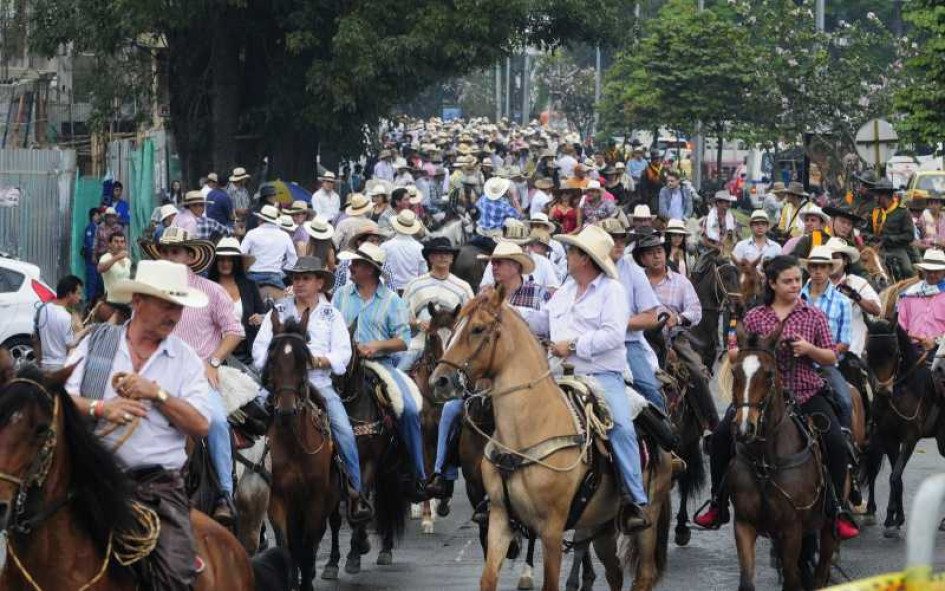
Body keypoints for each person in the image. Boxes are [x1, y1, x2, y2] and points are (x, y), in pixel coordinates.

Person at [65, 259, 214, 591]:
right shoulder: (96, 343)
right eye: (166, 304)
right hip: (89, 478)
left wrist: (157, 394)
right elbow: (59, 401)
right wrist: (101, 408)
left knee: (176, 575)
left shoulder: (186, 359)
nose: (174, 315)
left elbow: (202, 425)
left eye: (178, 307)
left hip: (156, 487)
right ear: (138, 302)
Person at [694, 255, 860, 541]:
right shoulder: (755, 316)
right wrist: (754, 351)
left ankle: (837, 508)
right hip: (760, 395)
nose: (796, 285)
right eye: (788, 281)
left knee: (835, 441)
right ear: (772, 283)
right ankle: (718, 502)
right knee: (722, 436)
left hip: (805, 391)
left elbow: (831, 357)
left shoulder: (812, 316)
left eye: (798, 280)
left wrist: (809, 349)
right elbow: (733, 350)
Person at [527, 225, 650, 533]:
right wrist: (509, 313)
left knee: (621, 425)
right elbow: (543, 320)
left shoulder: (613, 291)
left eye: (571, 251)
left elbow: (612, 335)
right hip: (556, 373)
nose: (566, 256)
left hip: (601, 374)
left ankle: (634, 499)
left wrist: (573, 344)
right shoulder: (566, 290)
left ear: (585, 258)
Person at [426, 241, 549, 507]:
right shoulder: (482, 296)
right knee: (450, 409)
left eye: (499, 262)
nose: (494, 267)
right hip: (486, 373)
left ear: (516, 266)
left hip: (526, 374)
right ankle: (442, 472)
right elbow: (465, 332)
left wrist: (509, 314)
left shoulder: (538, 294)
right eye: (492, 263)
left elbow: (547, 326)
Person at [251, 257, 373, 522]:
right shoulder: (278, 311)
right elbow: (259, 349)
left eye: (306, 278)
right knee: (246, 421)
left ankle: (355, 492)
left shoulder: (332, 315)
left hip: (318, 384)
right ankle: (240, 486)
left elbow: (343, 353)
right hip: (280, 385)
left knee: (343, 431)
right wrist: (275, 364)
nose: (299, 283)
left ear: (319, 283)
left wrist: (319, 360)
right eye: (296, 278)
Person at [141, 228, 244, 523]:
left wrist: (212, 362)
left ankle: (225, 491)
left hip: (197, 375)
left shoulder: (211, 291)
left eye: (176, 251)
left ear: (190, 256)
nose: (171, 257)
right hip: (157, 372)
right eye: (166, 251)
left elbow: (234, 332)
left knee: (216, 420)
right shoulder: (151, 293)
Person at [332, 242, 428, 501]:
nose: (350, 267)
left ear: (371, 270)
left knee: (408, 409)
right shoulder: (340, 294)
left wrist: (376, 345)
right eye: (352, 263)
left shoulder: (392, 300)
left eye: (357, 264)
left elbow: (403, 340)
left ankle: (418, 475)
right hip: (341, 364)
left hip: (379, 365)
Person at [634, 233, 718, 430]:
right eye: (649, 253)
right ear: (642, 259)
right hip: (640, 338)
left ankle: (712, 422)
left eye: (659, 251)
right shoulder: (636, 282)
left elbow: (695, 311)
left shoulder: (681, 282)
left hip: (672, 338)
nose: (656, 256)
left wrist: (678, 318)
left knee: (696, 371)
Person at [597, 218, 663, 409]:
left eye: (622, 239)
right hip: (590, 344)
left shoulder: (633, 270)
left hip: (627, 343)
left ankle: (666, 435)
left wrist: (616, 323)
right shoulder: (585, 269)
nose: (619, 243)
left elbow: (651, 317)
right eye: (613, 239)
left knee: (650, 390)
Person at [397, 237, 474, 373]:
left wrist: (454, 327)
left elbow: (470, 319)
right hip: (419, 343)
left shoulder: (463, 288)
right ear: (430, 258)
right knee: (399, 373)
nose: (443, 257)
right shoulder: (414, 285)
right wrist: (419, 323)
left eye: (447, 254)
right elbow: (401, 315)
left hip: (452, 348)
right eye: (438, 253)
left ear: (452, 259)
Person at [799, 246, 855, 430]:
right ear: (808, 269)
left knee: (845, 402)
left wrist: (817, 353)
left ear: (830, 270)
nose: (817, 271)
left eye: (822, 267)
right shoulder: (796, 297)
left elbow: (844, 343)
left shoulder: (843, 302)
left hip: (826, 366)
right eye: (814, 266)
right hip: (795, 362)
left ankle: (845, 439)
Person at [208, 238, 266, 366]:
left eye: (230, 260)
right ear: (216, 262)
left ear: (237, 262)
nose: (225, 263)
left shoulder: (250, 286)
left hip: (245, 353)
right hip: (214, 351)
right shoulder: (207, 286)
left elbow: (263, 315)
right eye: (221, 259)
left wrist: (260, 318)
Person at [826, 238, 881, 360]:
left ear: (845, 261)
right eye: (828, 257)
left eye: (836, 257)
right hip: (820, 354)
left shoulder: (859, 283)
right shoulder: (814, 282)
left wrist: (856, 297)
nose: (831, 261)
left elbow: (877, 310)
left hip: (853, 354)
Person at [241, 204, 299, 292]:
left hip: (253, 275)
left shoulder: (252, 233)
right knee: (284, 303)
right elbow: (293, 261)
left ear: (261, 219)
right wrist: (281, 272)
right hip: (275, 277)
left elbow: (241, 254)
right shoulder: (285, 236)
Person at [896, 249, 945, 352]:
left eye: (936, 272)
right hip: (911, 349)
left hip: (941, 350)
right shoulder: (909, 294)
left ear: (943, 272)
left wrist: (936, 341)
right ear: (924, 271)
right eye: (929, 271)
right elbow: (900, 325)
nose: (932, 275)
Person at [866, 179, 916, 279]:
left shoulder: (903, 212)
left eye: (876, 195)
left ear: (884, 196)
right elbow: (866, 231)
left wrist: (889, 238)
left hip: (896, 249)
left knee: (908, 270)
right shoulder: (874, 212)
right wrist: (871, 237)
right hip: (877, 248)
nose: (875, 198)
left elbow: (909, 236)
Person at [34, 275, 83, 370]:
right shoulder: (66, 317)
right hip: (60, 366)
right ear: (69, 294)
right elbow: (71, 344)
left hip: (44, 365)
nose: (80, 297)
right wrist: (84, 331)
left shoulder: (44, 309)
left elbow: (36, 339)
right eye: (78, 293)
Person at [381, 210, 428, 292]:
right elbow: (423, 272)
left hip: (390, 290)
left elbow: (381, 271)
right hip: (411, 289)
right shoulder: (419, 247)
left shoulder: (385, 246)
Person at [97, 232, 132, 303]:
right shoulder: (106, 257)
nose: (119, 245)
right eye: (116, 241)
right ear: (109, 244)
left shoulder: (127, 261)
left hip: (126, 301)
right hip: (112, 301)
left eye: (122, 242)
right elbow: (100, 269)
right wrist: (117, 257)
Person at [81, 208, 103, 303]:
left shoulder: (99, 228)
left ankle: (96, 301)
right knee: (91, 280)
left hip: (98, 259)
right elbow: (90, 244)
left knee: (98, 281)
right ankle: (90, 302)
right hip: (91, 259)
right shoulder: (90, 228)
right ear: (93, 216)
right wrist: (94, 255)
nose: (99, 217)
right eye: (97, 215)